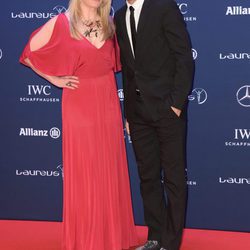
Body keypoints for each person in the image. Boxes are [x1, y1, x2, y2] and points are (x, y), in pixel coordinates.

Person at [20, 0, 139, 249]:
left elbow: (129, 64)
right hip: (79, 103)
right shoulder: (63, 23)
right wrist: (53, 78)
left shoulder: (111, 23)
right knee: (85, 169)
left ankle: (112, 236)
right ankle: (86, 238)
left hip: (107, 101)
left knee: (109, 166)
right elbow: (29, 52)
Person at [114, 0, 194, 249]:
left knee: (173, 179)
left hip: (167, 110)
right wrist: (128, 113)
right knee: (148, 178)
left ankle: (171, 243)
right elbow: (129, 69)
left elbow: (184, 57)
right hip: (138, 115)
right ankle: (155, 237)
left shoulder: (163, 7)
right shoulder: (119, 16)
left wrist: (176, 104)